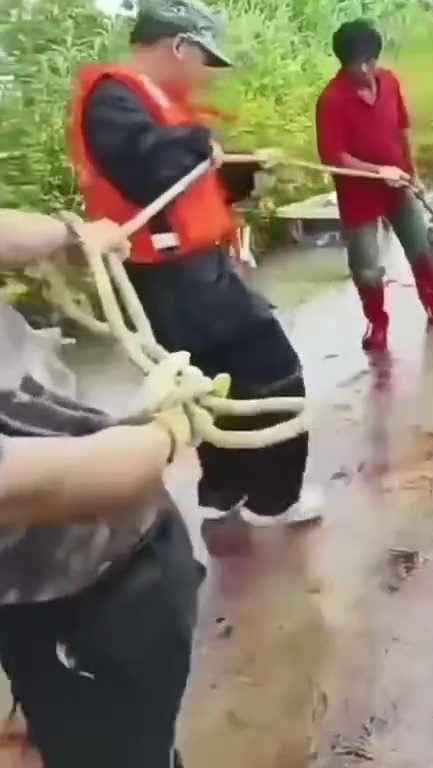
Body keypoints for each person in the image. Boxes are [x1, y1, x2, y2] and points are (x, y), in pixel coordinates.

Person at [69, 0, 319, 526]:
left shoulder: (150, 102)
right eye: (204, 59)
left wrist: (242, 167)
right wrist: (201, 142)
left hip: (186, 270)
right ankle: (274, 499)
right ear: (179, 46)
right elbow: (150, 169)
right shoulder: (114, 98)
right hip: (174, 276)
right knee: (273, 371)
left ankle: (222, 492)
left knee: (213, 382)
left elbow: (182, 184)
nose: (205, 75)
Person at [0, 209, 202, 767]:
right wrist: (167, 431)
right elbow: (57, 484)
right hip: (72, 591)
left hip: (115, 558)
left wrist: (70, 235)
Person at [315, 19, 433, 354]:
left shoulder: (389, 83)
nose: (365, 69)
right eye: (357, 64)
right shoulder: (331, 100)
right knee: (366, 267)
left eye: (369, 61)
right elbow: (335, 156)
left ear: (376, 59)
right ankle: (377, 322)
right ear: (344, 63)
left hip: (399, 186)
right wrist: (378, 171)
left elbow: (402, 131)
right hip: (358, 196)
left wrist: (412, 174)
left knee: (419, 246)